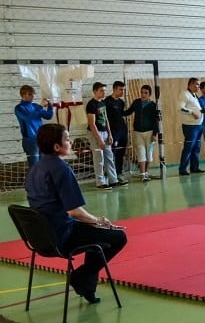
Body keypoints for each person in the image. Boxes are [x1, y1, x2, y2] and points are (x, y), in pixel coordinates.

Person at [25, 123, 128, 303]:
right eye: (66, 139)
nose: (70, 142)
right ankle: (81, 276)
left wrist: (93, 223)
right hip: (61, 235)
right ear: (57, 147)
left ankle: (87, 287)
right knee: (118, 237)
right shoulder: (61, 169)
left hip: (40, 236)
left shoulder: (35, 169)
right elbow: (74, 211)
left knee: (96, 233)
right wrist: (99, 220)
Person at [87, 81, 122, 188]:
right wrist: (99, 139)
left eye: (104, 90)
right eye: (101, 90)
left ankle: (113, 179)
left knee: (109, 156)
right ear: (95, 91)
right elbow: (92, 124)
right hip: (95, 133)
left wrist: (109, 134)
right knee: (99, 158)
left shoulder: (103, 103)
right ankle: (100, 182)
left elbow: (106, 119)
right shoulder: (91, 105)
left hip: (105, 132)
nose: (103, 93)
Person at [123, 85, 159, 181]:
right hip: (138, 133)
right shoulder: (136, 102)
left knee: (149, 153)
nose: (143, 94)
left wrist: (155, 134)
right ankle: (142, 174)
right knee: (141, 152)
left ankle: (146, 172)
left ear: (149, 94)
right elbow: (128, 112)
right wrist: (118, 112)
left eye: (145, 93)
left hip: (150, 133)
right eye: (142, 92)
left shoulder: (153, 105)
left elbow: (156, 121)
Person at [15, 84, 53, 168]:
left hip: (41, 138)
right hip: (30, 140)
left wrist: (50, 105)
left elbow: (48, 116)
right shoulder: (19, 108)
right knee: (34, 166)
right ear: (24, 95)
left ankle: (42, 181)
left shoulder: (35, 106)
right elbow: (28, 118)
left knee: (43, 165)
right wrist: (40, 106)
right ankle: (33, 181)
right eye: (31, 94)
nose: (33, 96)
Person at [177, 77, 204, 176]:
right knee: (188, 147)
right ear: (190, 85)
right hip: (190, 127)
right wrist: (191, 112)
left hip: (199, 126)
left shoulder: (194, 95)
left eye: (199, 84)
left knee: (197, 147)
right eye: (197, 84)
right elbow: (180, 108)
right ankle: (182, 169)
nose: (198, 86)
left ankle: (194, 167)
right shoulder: (185, 94)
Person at [104, 81, 129, 181]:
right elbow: (105, 118)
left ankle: (119, 172)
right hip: (113, 131)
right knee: (112, 153)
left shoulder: (121, 102)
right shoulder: (107, 101)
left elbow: (122, 114)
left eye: (123, 90)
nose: (122, 91)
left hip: (122, 130)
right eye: (120, 89)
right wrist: (109, 133)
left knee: (121, 152)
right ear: (114, 89)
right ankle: (111, 174)